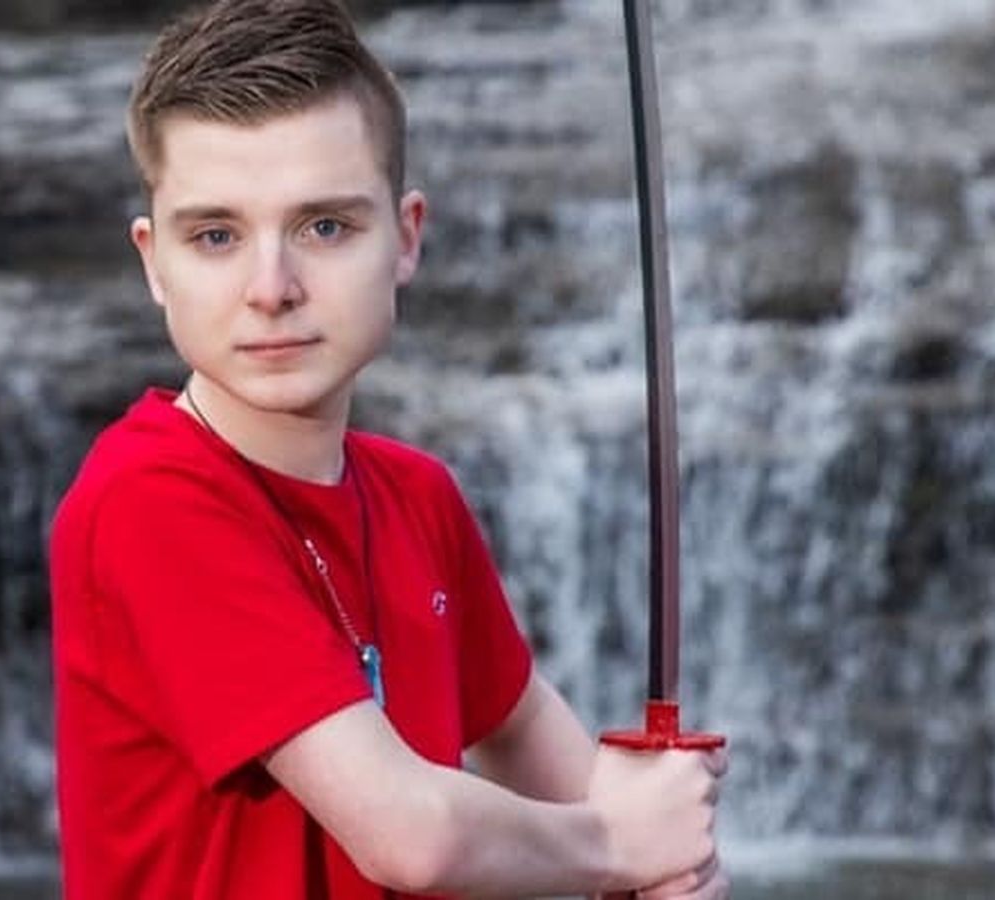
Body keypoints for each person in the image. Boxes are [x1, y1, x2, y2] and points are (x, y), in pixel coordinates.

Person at [48, 1, 728, 897]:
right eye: (216, 236)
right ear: (153, 262)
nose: (271, 288)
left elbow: (528, 733)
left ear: (406, 237)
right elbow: (413, 839)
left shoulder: (417, 495)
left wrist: (662, 860)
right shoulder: (147, 499)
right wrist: (615, 843)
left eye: (325, 227)